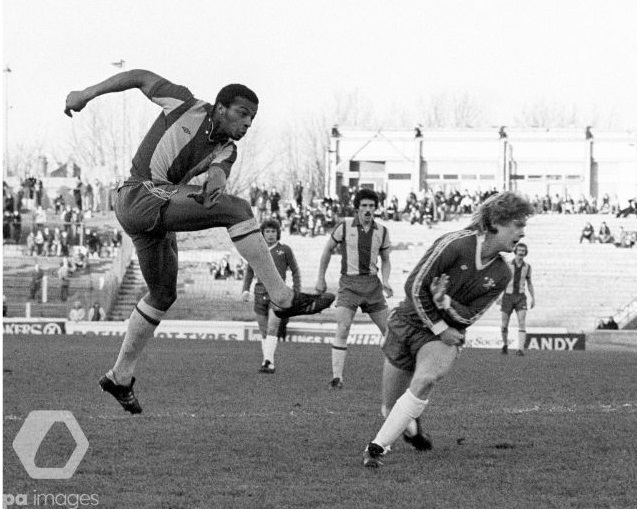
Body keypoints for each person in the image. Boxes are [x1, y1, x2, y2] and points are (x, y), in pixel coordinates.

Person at [65, 68, 334, 414]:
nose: (247, 124)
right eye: (242, 114)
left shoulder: (226, 149)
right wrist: (86, 93)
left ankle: (120, 376)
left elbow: (220, 171)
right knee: (238, 209)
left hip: (155, 213)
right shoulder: (184, 103)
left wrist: (214, 184)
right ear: (220, 108)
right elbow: (138, 77)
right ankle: (281, 296)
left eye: (252, 120)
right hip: (138, 194)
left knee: (163, 294)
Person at [362, 191, 534, 468]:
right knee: (389, 409)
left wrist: (446, 302)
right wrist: (440, 322)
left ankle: (377, 448)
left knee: (426, 379)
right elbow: (414, 286)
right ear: (497, 223)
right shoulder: (455, 244)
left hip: (443, 337)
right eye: (518, 225)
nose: (522, 233)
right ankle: (413, 430)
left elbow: (469, 316)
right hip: (407, 323)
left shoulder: (503, 273)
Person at [316, 188, 393, 389]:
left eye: (371, 206)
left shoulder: (382, 231)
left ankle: (395, 374)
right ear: (357, 208)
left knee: (390, 331)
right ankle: (337, 377)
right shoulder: (344, 227)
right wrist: (320, 278)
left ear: (376, 208)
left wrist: (386, 280)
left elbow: (386, 260)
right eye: (364, 206)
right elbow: (327, 250)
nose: (368, 210)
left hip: (373, 286)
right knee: (343, 328)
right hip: (349, 285)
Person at [241, 219, 311, 374]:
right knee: (263, 329)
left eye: (273, 231)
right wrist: (245, 289)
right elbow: (249, 272)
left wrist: (296, 290)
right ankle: (267, 362)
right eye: (268, 231)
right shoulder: (256, 250)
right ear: (262, 233)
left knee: (273, 327)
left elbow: (295, 271)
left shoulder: (285, 250)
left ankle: (268, 362)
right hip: (259, 292)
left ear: (278, 233)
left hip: (278, 294)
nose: (271, 235)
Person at [500, 243, 535, 355]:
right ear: (515, 251)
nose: (521, 252)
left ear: (525, 253)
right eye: (519, 250)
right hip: (508, 297)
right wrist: (499, 296)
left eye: (523, 251)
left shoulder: (527, 267)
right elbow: (501, 281)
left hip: (520, 297)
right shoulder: (508, 264)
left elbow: (529, 283)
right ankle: (505, 344)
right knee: (504, 325)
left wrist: (533, 298)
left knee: (522, 321)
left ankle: (520, 349)